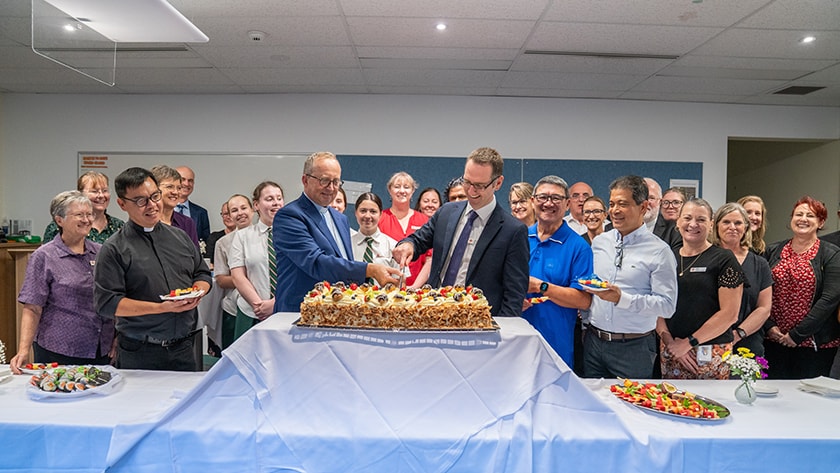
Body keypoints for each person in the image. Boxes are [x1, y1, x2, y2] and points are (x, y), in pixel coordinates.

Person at [94, 167, 212, 371]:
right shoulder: (114, 248)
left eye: (155, 196)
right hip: (140, 351)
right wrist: (161, 308)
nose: (152, 205)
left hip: (183, 347)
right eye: (141, 201)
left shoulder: (180, 237)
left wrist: (198, 292)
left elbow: (201, 273)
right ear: (122, 204)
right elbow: (107, 303)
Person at [392, 147, 530, 317]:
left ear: (498, 183)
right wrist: (408, 245)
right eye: (467, 182)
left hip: (479, 324)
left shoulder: (513, 231)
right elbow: (419, 239)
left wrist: (502, 330)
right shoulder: (447, 212)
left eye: (479, 186)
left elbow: (514, 295)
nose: (471, 190)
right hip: (435, 314)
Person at [273, 152, 401, 312]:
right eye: (325, 181)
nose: (331, 188)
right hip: (300, 313)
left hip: (336, 312)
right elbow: (316, 263)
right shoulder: (290, 216)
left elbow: (343, 264)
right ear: (305, 180)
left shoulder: (340, 219)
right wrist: (370, 269)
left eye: (336, 182)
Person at [584, 175, 677, 379]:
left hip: (634, 348)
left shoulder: (659, 251)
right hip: (593, 343)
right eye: (612, 204)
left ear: (643, 207)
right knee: (592, 407)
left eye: (623, 204)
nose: (615, 210)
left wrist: (623, 299)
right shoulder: (600, 243)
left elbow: (667, 306)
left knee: (632, 409)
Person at [10, 191, 114, 374]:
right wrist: (23, 350)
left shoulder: (101, 252)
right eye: (79, 215)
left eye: (89, 214)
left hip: (102, 349)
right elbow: (32, 307)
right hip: (59, 350)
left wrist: (117, 338)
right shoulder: (44, 256)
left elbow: (114, 297)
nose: (87, 219)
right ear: (59, 220)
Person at [658, 198, 744, 380]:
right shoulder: (666, 258)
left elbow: (730, 314)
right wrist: (671, 343)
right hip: (671, 349)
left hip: (710, 351)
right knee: (670, 406)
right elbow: (656, 305)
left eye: (701, 219)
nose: (693, 224)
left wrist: (689, 343)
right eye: (687, 218)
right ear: (678, 222)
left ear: (711, 224)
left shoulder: (724, 259)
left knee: (709, 406)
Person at [764, 196, 840, 379]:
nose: (803, 219)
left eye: (810, 215)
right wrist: (769, 327)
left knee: (810, 401)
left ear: (820, 222)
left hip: (814, 345)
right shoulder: (772, 250)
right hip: (774, 340)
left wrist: (796, 335)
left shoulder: (831, 254)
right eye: (798, 214)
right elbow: (759, 293)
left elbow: (830, 299)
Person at [521, 175, 592, 368]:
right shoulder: (518, 238)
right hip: (516, 342)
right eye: (543, 197)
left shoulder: (578, 247)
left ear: (567, 204)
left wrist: (541, 286)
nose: (548, 203)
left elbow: (583, 300)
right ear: (533, 201)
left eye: (556, 198)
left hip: (555, 345)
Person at [711, 202, 772, 357]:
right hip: (707, 343)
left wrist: (737, 335)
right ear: (715, 225)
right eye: (726, 222)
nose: (732, 227)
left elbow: (764, 308)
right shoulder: (705, 259)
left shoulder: (760, 264)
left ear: (745, 227)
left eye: (738, 223)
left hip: (747, 344)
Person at [230, 182, 285, 339]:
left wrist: (276, 303)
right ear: (256, 205)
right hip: (252, 312)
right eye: (269, 199)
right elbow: (238, 276)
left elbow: (297, 273)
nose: (275, 203)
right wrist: (259, 306)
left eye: (279, 198)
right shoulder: (243, 236)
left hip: (285, 309)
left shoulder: (294, 235)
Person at [213, 194, 254, 349]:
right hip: (233, 308)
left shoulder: (268, 236)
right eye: (234, 210)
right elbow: (221, 279)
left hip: (263, 305)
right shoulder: (223, 243)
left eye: (244, 208)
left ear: (253, 209)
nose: (240, 213)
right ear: (229, 215)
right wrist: (243, 280)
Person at [378, 172, 432, 288]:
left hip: (417, 290)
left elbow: (429, 259)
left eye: (406, 187)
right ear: (389, 190)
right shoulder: (380, 219)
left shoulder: (423, 220)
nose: (402, 191)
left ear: (412, 191)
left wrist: (414, 287)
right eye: (397, 187)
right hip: (385, 289)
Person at [42, 171, 124, 243]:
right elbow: (47, 255)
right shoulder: (60, 225)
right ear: (80, 194)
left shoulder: (119, 226)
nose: (101, 195)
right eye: (94, 191)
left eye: (105, 191)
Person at [352, 192, 399, 283]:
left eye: (373, 211)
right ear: (356, 213)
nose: (367, 216)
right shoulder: (346, 244)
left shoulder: (393, 246)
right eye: (363, 211)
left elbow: (399, 281)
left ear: (381, 214)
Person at [150, 165, 200, 248]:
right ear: (154, 188)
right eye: (170, 187)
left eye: (179, 188)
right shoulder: (146, 221)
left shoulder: (187, 223)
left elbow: (195, 258)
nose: (175, 192)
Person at [175, 166, 211, 246]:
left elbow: (205, 242)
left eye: (190, 180)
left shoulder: (201, 213)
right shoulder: (162, 209)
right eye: (182, 179)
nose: (186, 184)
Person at [643, 177, 682, 250]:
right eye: (642, 197)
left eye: (651, 198)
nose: (646, 202)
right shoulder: (621, 225)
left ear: (660, 202)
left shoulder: (674, 230)